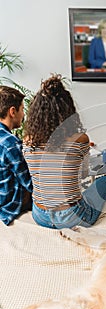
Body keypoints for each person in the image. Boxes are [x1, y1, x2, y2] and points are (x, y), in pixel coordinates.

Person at [23, 74, 106, 229]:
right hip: (72, 217)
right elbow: (84, 174)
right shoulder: (81, 139)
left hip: (39, 215)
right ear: (68, 112)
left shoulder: (27, 141)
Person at [0, 86, 32, 225]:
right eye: (22, 109)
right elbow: (30, 184)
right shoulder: (10, 143)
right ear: (12, 111)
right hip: (7, 205)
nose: (23, 115)